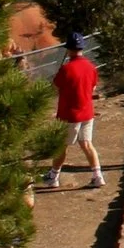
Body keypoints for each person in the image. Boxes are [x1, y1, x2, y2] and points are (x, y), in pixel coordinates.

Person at [46, 34, 105, 189]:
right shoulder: (91, 67)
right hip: (87, 112)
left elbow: (55, 86)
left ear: (69, 50)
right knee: (87, 144)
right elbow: (93, 87)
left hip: (69, 114)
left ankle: (53, 176)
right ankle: (97, 176)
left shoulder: (66, 69)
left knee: (61, 146)